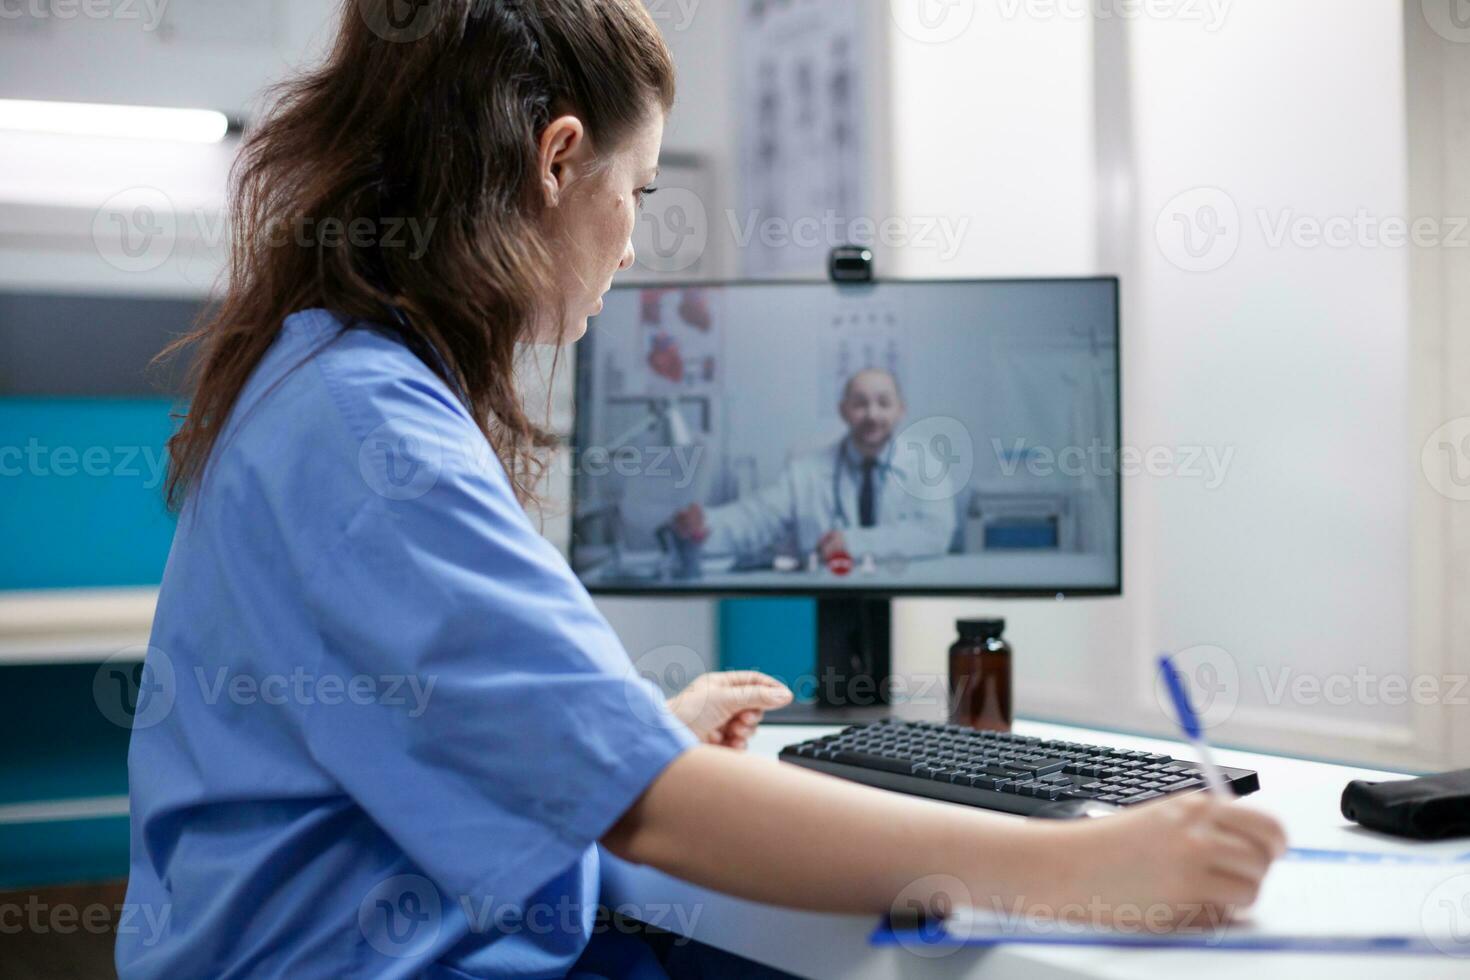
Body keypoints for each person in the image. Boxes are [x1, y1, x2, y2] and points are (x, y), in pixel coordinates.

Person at [117, 2, 1286, 977]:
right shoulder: (371, 426)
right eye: (641, 193)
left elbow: (430, 717)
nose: (631, 245)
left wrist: (621, 736)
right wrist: (1093, 867)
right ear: (557, 157)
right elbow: (655, 813)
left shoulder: (326, 374)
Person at [672, 367, 958, 565]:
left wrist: (853, 543)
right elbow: (755, 518)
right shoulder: (806, 472)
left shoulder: (926, 467)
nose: (872, 414)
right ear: (843, 410)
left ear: (901, 410)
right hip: (827, 598)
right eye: (860, 404)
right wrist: (706, 524)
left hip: (903, 599)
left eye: (884, 403)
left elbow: (936, 534)